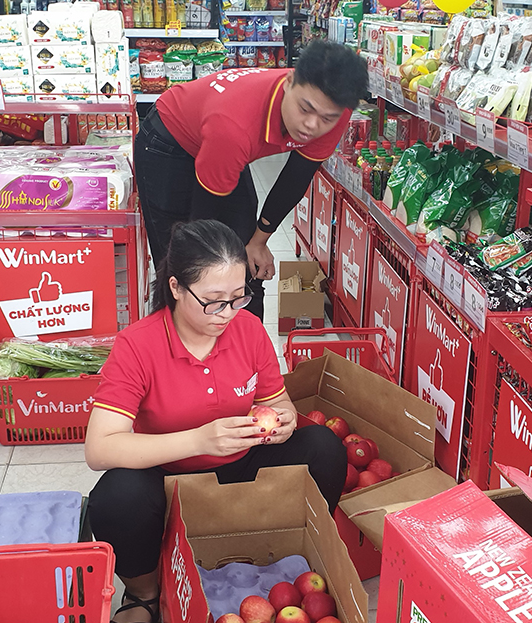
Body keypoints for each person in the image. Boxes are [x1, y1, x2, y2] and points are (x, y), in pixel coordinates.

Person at [84, 220, 347, 623]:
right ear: (175, 288)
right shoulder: (137, 345)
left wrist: (283, 422)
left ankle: (290, 546)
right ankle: (144, 593)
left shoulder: (250, 330)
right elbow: (101, 447)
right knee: (117, 498)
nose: (226, 314)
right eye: (212, 301)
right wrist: (199, 441)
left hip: (242, 463)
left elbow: (279, 402)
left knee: (323, 448)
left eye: (238, 298)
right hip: (168, 474)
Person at [135, 41, 368, 319]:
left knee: (245, 258)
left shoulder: (334, 109)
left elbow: (296, 177)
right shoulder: (234, 128)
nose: (312, 126)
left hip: (220, 144)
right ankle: (177, 348)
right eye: (304, 109)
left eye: (326, 118)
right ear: (289, 80)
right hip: (169, 143)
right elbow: (202, 220)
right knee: (181, 261)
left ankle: (247, 351)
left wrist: (258, 241)